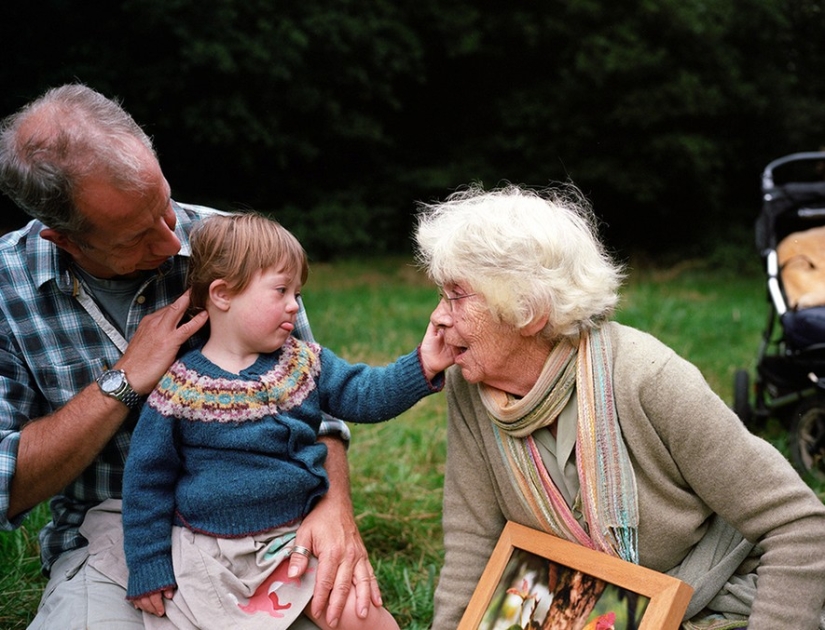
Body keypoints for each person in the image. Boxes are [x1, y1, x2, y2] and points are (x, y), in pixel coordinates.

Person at [0, 84, 382, 629]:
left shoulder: (235, 246)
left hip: (268, 534)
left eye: (163, 204)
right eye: (135, 236)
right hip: (120, 543)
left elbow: (317, 400)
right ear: (64, 240)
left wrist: (334, 507)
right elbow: (7, 481)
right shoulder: (7, 289)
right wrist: (124, 379)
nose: (170, 239)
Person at [414, 183, 825, 630]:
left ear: (527, 311)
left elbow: (798, 527)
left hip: (710, 601)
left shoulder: (648, 376)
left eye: (457, 295)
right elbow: (473, 541)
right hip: (578, 605)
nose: (438, 315)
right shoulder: (468, 386)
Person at [122, 212, 452, 629]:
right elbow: (146, 481)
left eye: (296, 292)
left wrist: (423, 365)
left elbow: (366, 394)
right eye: (281, 290)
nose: (294, 305)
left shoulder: (302, 363)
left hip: (296, 540)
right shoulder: (180, 388)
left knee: (365, 617)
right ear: (223, 295)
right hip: (211, 550)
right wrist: (148, 564)